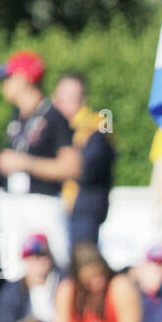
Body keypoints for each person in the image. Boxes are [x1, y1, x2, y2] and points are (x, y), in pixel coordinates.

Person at [0, 52, 81, 198]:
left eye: (8, 79)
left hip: (42, 205)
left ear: (22, 79)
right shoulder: (17, 116)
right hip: (15, 202)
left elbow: (72, 168)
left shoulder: (53, 117)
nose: (3, 85)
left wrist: (26, 163)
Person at [51, 72, 116, 249]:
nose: (62, 104)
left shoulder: (96, 127)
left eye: (71, 98)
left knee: (81, 261)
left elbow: (88, 169)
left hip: (83, 210)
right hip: (60, 207)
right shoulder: (57, 127)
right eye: (60, 98)